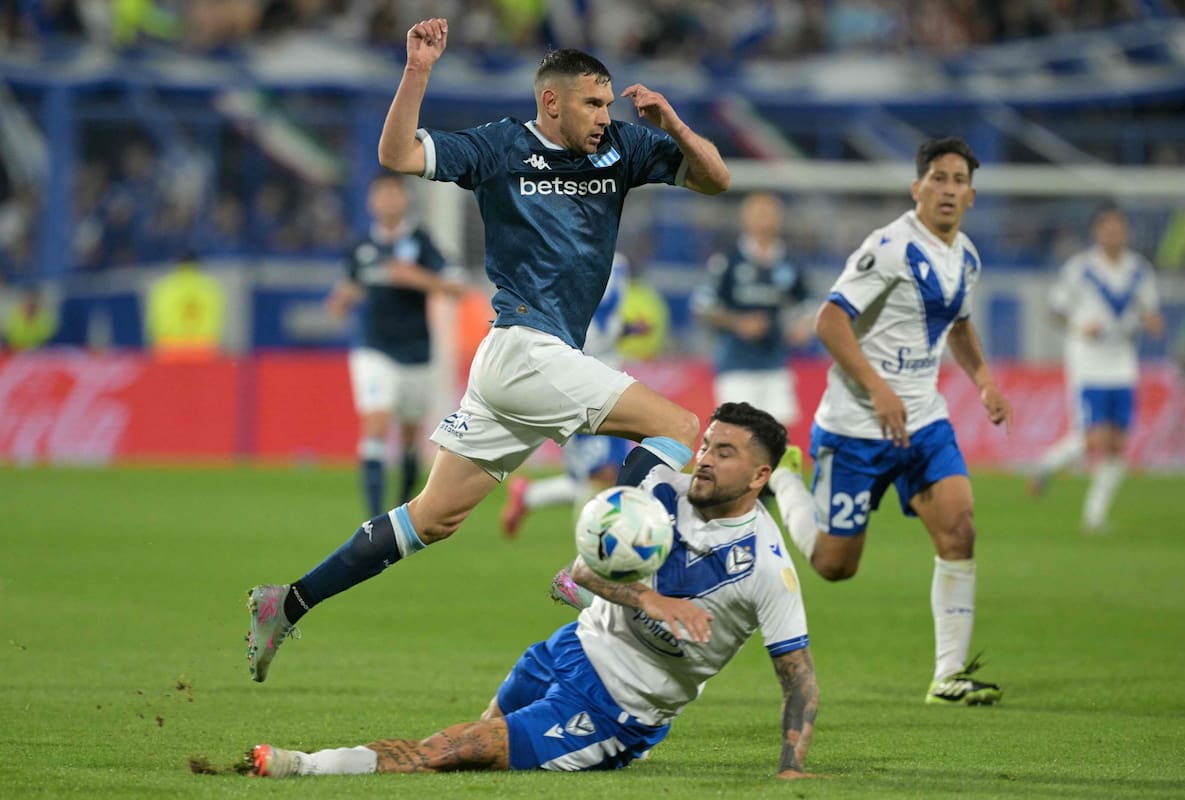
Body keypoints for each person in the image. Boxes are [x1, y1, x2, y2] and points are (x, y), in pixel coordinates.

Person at [245, 17, 731, 682]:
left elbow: (715, 180)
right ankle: (598, 571)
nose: (603, 115)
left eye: (608, 102)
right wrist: (417, 71)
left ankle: (288, 601)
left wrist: (673, 124)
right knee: (679, 427)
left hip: (522, 364)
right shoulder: (501, 147)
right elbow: (398, 155)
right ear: (551, 101)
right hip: (525, 349)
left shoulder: (622, 147)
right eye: (591, 102)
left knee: (432, 518)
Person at [244, 403, 820, 779]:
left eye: (725, 452)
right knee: (466, 750)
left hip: (614, 711)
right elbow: (582, 573)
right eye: (707, 445)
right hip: (568, 650)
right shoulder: (658, 489)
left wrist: (792, 768)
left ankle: (303, 766)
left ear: (760, 476)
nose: (705, 460)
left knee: (460, 749)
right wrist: (650, 600)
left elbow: (798, 677)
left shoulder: (766, 566)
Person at [792, 136, 1012, 706]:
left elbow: (958, 324)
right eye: (937, 178)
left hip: (923, 422)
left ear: (970, 195)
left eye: (958, 180)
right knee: (835, 567)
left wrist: (984, 380)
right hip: (856, 426)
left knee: (959, 531)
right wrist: (877, 388)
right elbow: (829, 321)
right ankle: (782, 486)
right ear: (918, 188)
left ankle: (948, 676)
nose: (947, 189)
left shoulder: (967, 257)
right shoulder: (887, 246)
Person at [326, 170, 465, 517]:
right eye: (381, 194)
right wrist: (342, 301)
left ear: (405, 199)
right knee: (375, 423)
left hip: (417, 351)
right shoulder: (361, 247)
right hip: (373, 348)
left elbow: (457, 287)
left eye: (394, 193)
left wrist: (413, 277)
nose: (388, 200)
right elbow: (348, 289)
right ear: (372, 201)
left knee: (408, 437)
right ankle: (372, 519)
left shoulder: (421, 242)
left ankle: (400, 511)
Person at [1036, 204, 1163, 533]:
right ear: (1096, 232)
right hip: (1088, 360)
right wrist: (1080, 325)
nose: (1113, 233)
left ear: (1126, 232)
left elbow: (1149, 311)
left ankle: (1095, 515)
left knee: (1119, 443)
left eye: (1119, 228)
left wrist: (1152, 322)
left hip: (1123, 361)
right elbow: (1054, 311)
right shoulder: (1080, 269)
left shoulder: (1139, 271)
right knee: (1094, 439)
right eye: (1107, 228)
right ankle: (1044, 465)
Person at [501, 254, 633, 537]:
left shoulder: (619, 263)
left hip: (612, 377)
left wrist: (625, 329)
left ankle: (530, 496)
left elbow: (605, 320)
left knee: (607, 475)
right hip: (578, 378)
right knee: (604, 475)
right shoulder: (564, 255)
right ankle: (590, 561)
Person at [691, 191, 811, 429]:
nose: (765, 219)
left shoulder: (788, 262)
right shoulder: (728, 261)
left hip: (775, 362)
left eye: (770, 213)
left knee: (778, 435)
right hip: (736, 364)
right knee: (739, 434)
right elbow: (702, 306)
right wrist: (738, 323)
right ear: (746, 219)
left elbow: (807, 305)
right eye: (759, 213)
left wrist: (803, 327)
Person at [144, 251, 225, 360]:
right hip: (203, 348)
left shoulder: (164, 287)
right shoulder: (210, 288)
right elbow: (217, 318)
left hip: (169, 348)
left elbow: (154, 320)